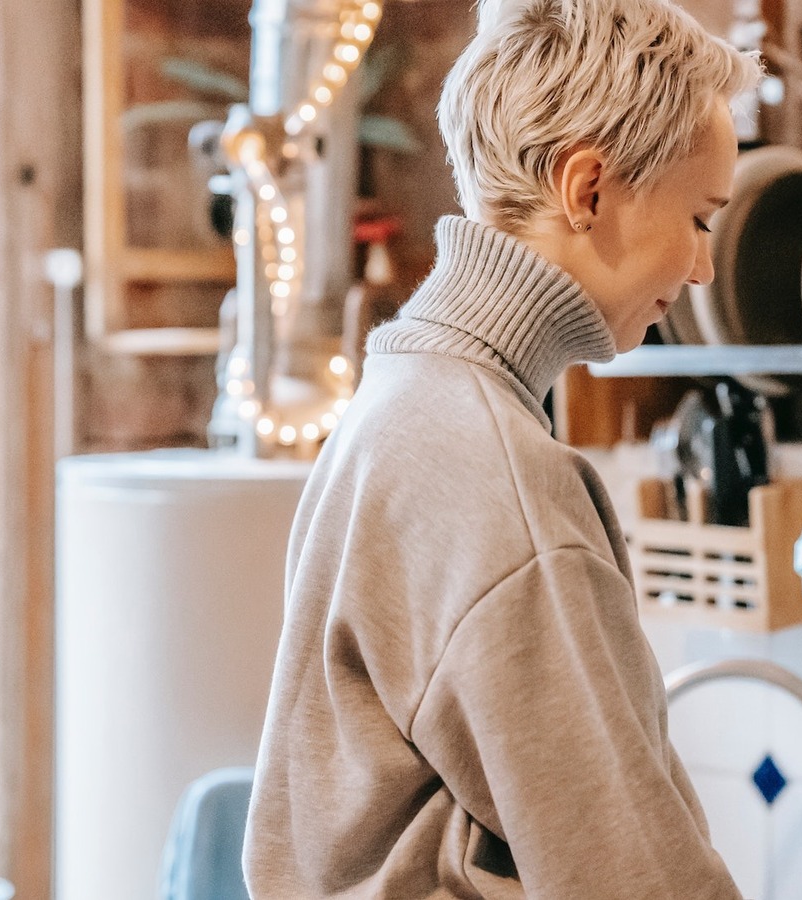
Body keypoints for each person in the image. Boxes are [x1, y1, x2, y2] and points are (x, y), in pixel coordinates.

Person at [242, 0, 760, 896]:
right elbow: (630, 879)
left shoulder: (406, 392)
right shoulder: (496, 474)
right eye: (702, 219)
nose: (704, 267)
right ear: (587, 189)